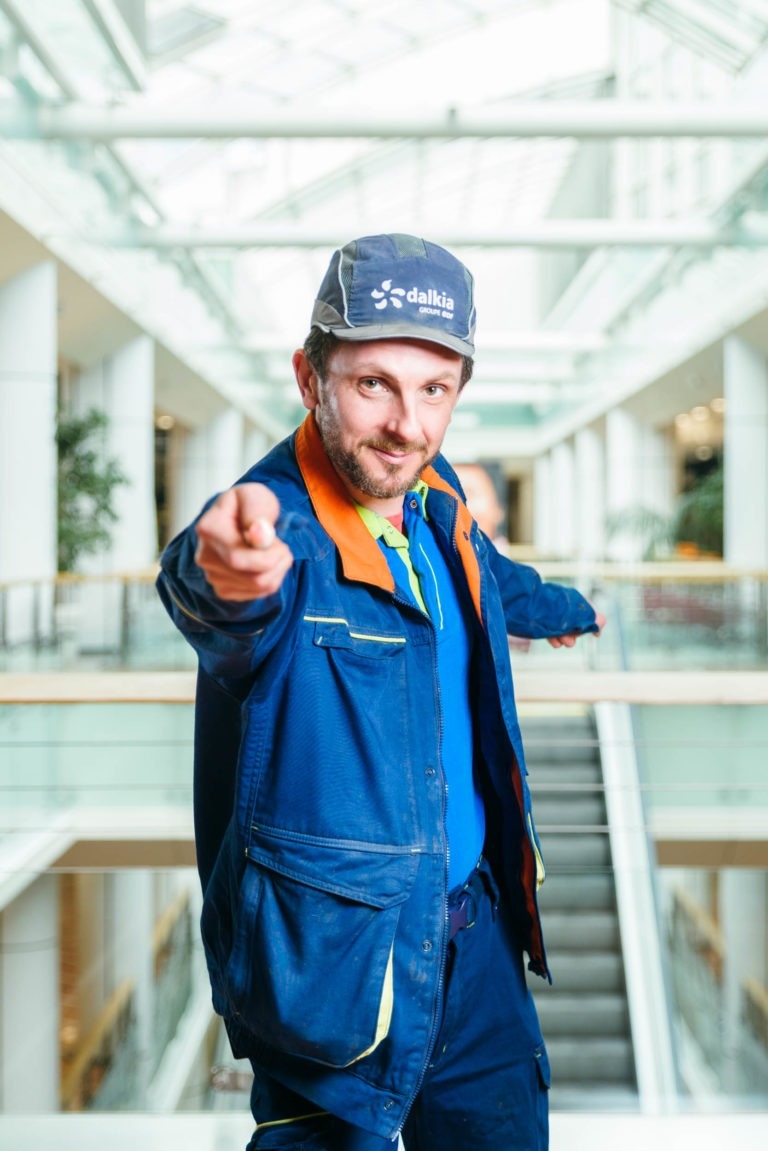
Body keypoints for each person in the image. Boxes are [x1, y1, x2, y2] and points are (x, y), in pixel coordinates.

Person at [157, 233, 605, 1150]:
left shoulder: (432, 494)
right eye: (374, 384)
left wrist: (564, 607)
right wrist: (226, 575)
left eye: (433, 389)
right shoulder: (279, 530)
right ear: (309, 376)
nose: (407, 423)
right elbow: (216, 596)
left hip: (474, 940)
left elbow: (488, 570)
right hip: (335, 968)